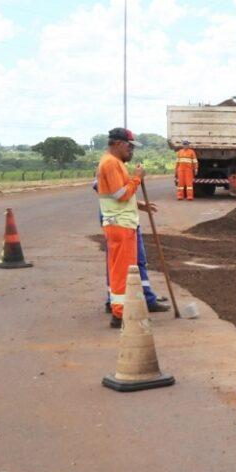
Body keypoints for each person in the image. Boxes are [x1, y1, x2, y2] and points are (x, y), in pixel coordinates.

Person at [96, 127, 160, 327]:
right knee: (122, 271)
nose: (131, 150)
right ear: (117, 143)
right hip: (120, 225)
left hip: (122, 224)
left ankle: (121, 310)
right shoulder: (111, 163)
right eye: (129, 145)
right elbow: (120, 194)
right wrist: (138, 177)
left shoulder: (115, 163)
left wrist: (139, 204)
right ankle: (120, 313)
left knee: (123, 269)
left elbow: (120, 194)